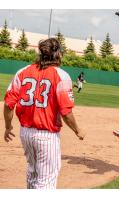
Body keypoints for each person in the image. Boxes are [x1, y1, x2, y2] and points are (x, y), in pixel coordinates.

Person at [3, 38, 86, 189]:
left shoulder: (22, 72)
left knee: (33, 175)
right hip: (46, 136)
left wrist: (8, 127)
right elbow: (66, 112)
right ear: (57, 54)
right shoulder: (61, 75)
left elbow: (9, 105)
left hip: (25, 133)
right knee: (46, 180)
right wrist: (77, 130)